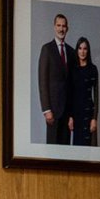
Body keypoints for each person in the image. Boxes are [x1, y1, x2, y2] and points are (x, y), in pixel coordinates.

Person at [38, 13, 73, 144]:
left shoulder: (71, 52)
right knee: (52, 149)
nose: (61, 29)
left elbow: (72, 85)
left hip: (67, 112)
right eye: (59, 25)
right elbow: (42, 81)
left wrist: (72, 114)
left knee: (66, 151)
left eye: (63, 26)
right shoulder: (47, 49)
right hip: (52, 111)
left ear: (67, 28)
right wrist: (47, 109)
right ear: (54, 27)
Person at [68, 36, 99, 146]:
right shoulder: (73, 70)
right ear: (77, 50)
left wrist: (94, 118)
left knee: (91, 148)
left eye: (85, 48)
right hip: (76, 115)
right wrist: (70, 117)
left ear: (88, 50)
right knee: (77, 149)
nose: (82, 52)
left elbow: (96, 95)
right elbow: (70, 95)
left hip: (89, 114)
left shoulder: (93, 69)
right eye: (80, 48)